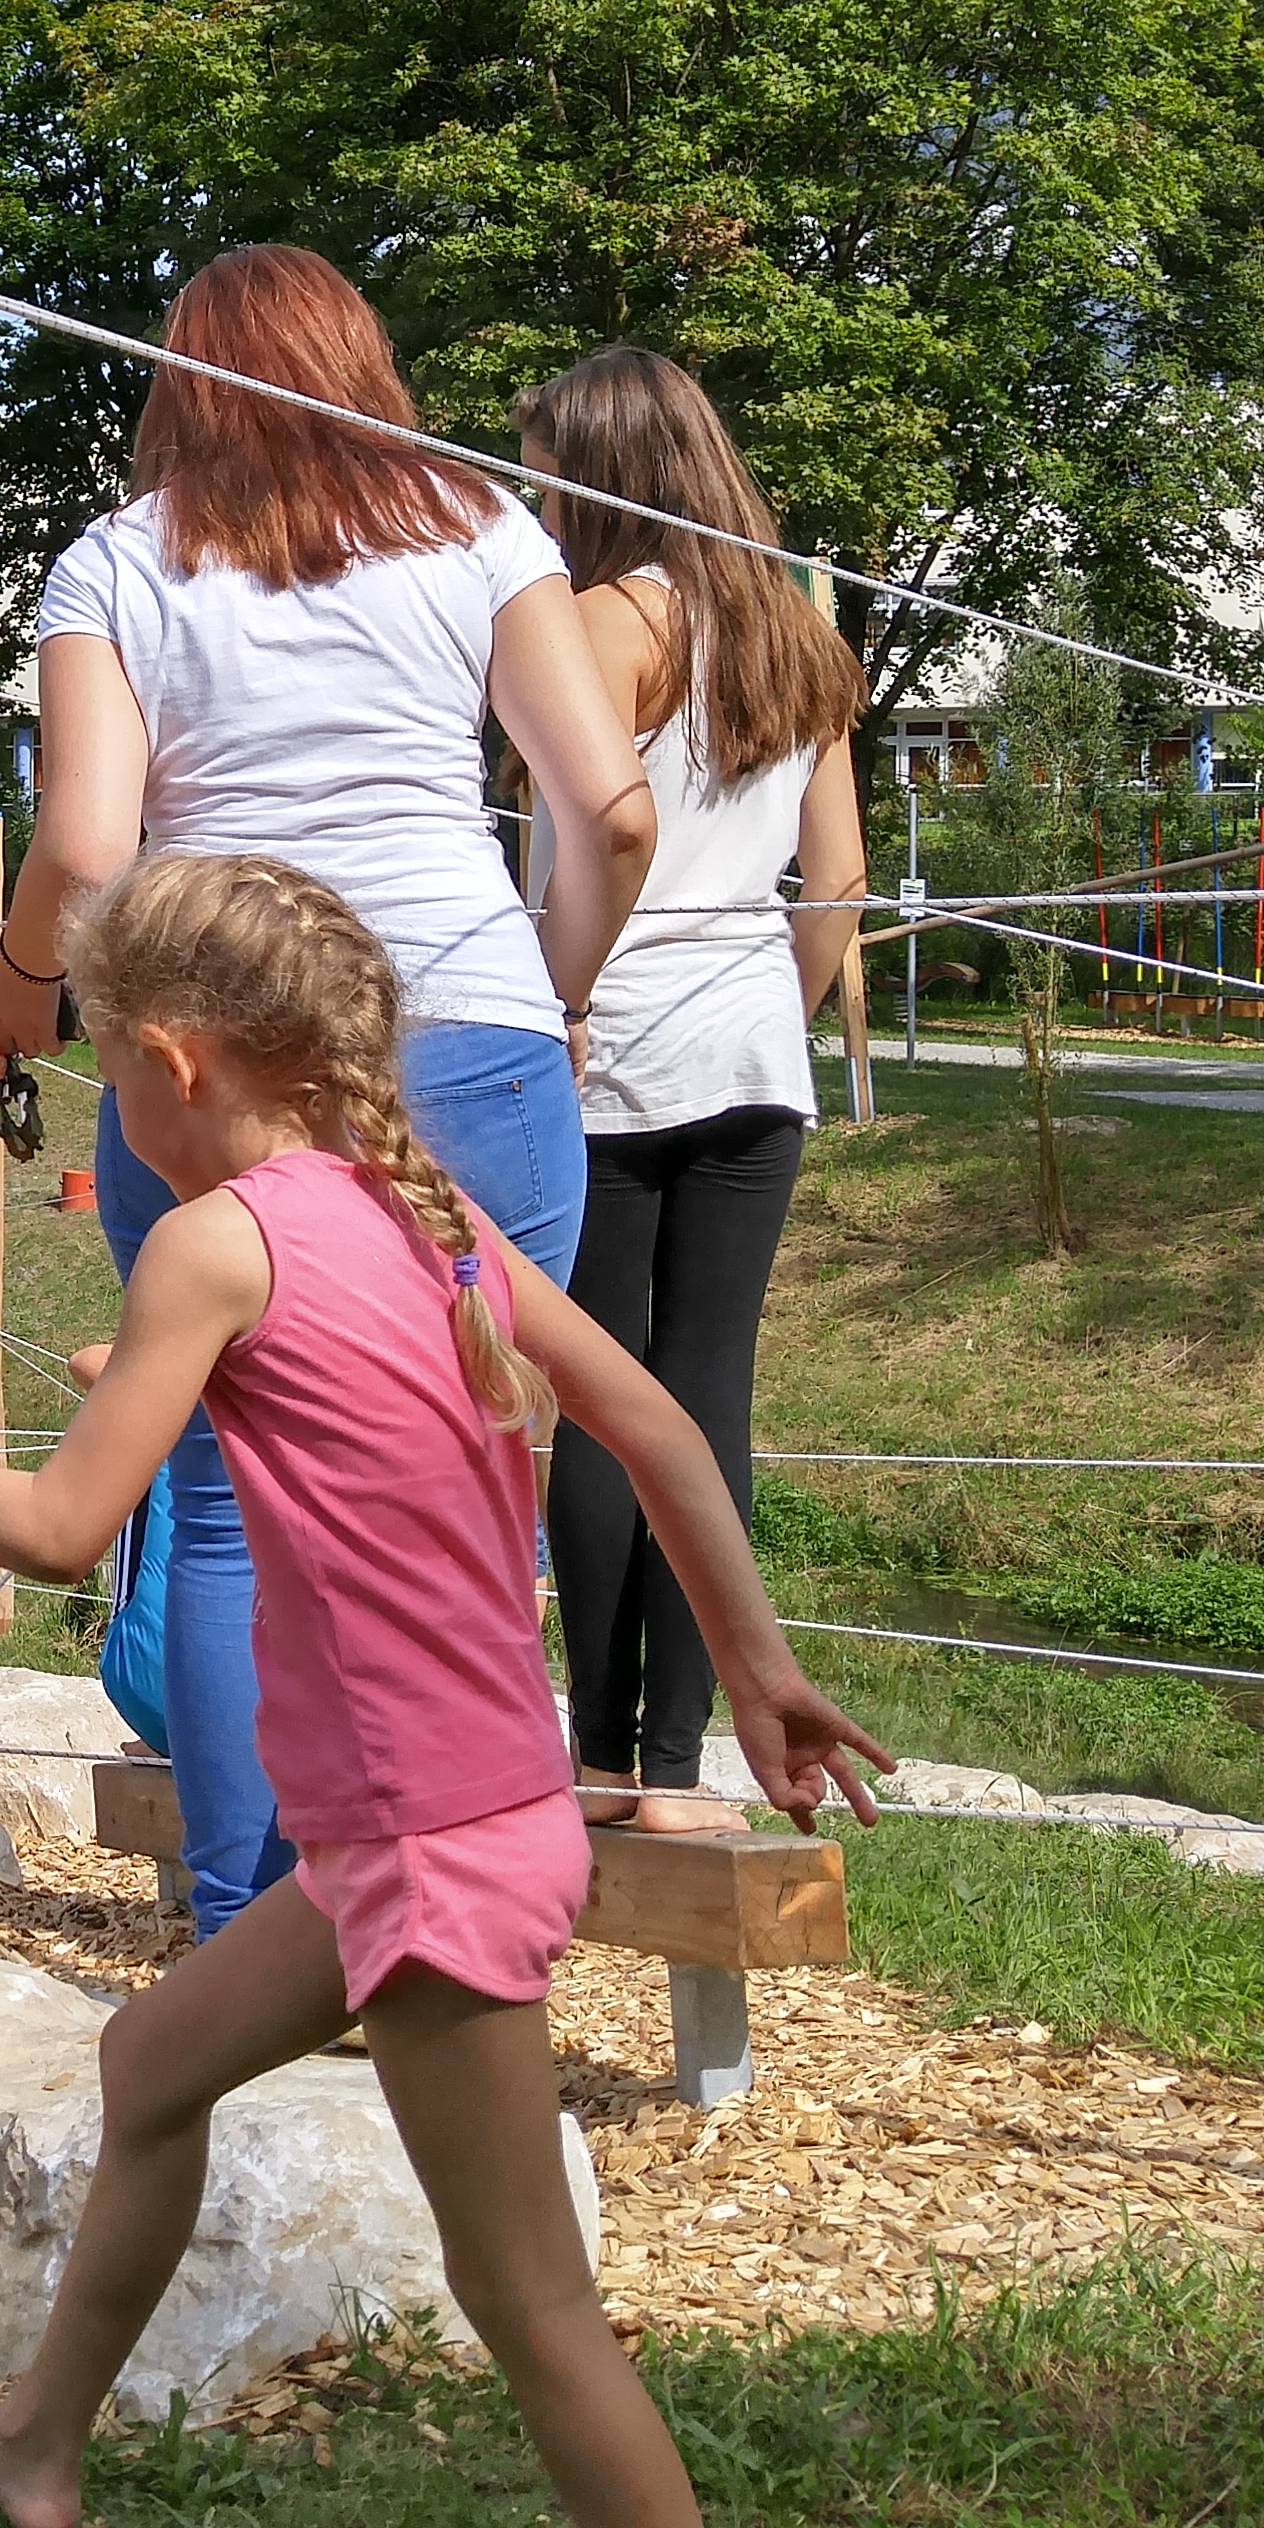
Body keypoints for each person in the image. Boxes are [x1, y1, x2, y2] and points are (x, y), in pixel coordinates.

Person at [0, 853, 883, 2528]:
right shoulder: (412, 1206)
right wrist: (756, 1668)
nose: (98, 1092)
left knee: (528, 2304)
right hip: (436, 1815)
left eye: (96, 1060)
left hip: (431, 1840)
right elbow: (659, 1425)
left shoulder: (213, 1249)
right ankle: (33, 2444)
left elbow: (68, 1529)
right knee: (151, 2057)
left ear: (172, 1061)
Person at [0, 243, 659, 1935]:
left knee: (217, 1503)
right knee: (486, 1457)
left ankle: (247, 1937)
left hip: (219, 1054)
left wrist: (24, 987)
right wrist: (540, 991)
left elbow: (83, 843)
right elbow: (614, 812)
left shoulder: (114, 562)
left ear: (180, 380)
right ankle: (463, 1923)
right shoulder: (487, 527)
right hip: (478, 1030)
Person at [524, 348, 873, 1833]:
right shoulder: (797, 633)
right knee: (706, 1394)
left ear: (599, 470)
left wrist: (563, 998)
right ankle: (680, 1773)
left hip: (609, 1056)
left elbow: (594, 840)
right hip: (751, 1065)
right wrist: (771, 1024)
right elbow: (837, 880)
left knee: (603, 1404)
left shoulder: (599, 626)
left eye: (545, 465)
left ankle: (602, 1763)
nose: (534, 495)